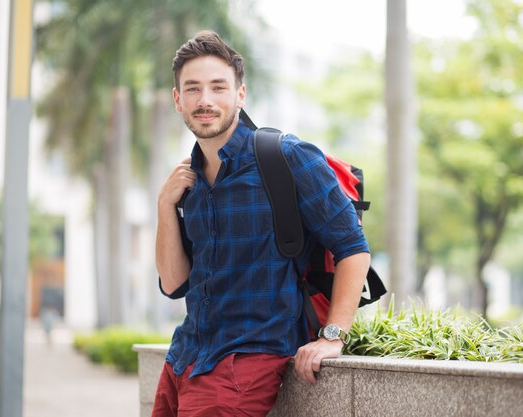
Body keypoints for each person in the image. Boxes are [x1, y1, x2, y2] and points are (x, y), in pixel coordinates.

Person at [153, 30, 371, 417]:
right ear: (177, 100)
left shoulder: (286, 157)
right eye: (192, 89)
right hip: (183, 359)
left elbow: (353, 248)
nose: (205, 100)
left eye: (218, 87)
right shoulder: (190, 181)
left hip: (244, 365)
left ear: (240, 94)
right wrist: (164, 207)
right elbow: (173, 285)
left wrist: (332, 336)